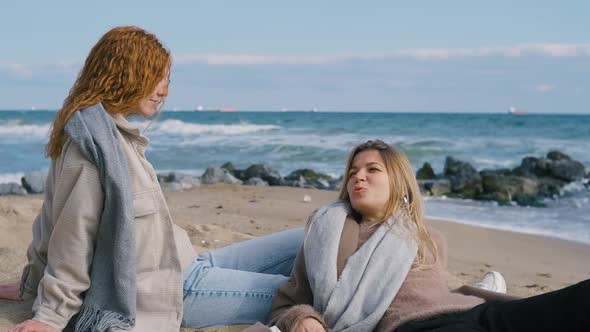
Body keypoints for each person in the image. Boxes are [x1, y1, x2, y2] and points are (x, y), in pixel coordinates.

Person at [0, 25, 304, 332]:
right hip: (174, 290)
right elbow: (70, 233)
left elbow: (49, 217)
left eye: (165, 79)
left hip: (187, 260)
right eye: (155, 77)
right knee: (303, 294)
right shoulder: (90, 149)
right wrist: (49, 316)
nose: (163, 90)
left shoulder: (111, 136)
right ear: (125, 73)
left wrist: (30, 282)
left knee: (311, 237)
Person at [264, 139, 590, 332]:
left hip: (475, 314)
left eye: (372, 170)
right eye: (352, 173)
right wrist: (303, 319)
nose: (358, 178)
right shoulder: (329, 231)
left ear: (400, 182)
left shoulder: (426, 237)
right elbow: (288, 303)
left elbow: (438, 293)